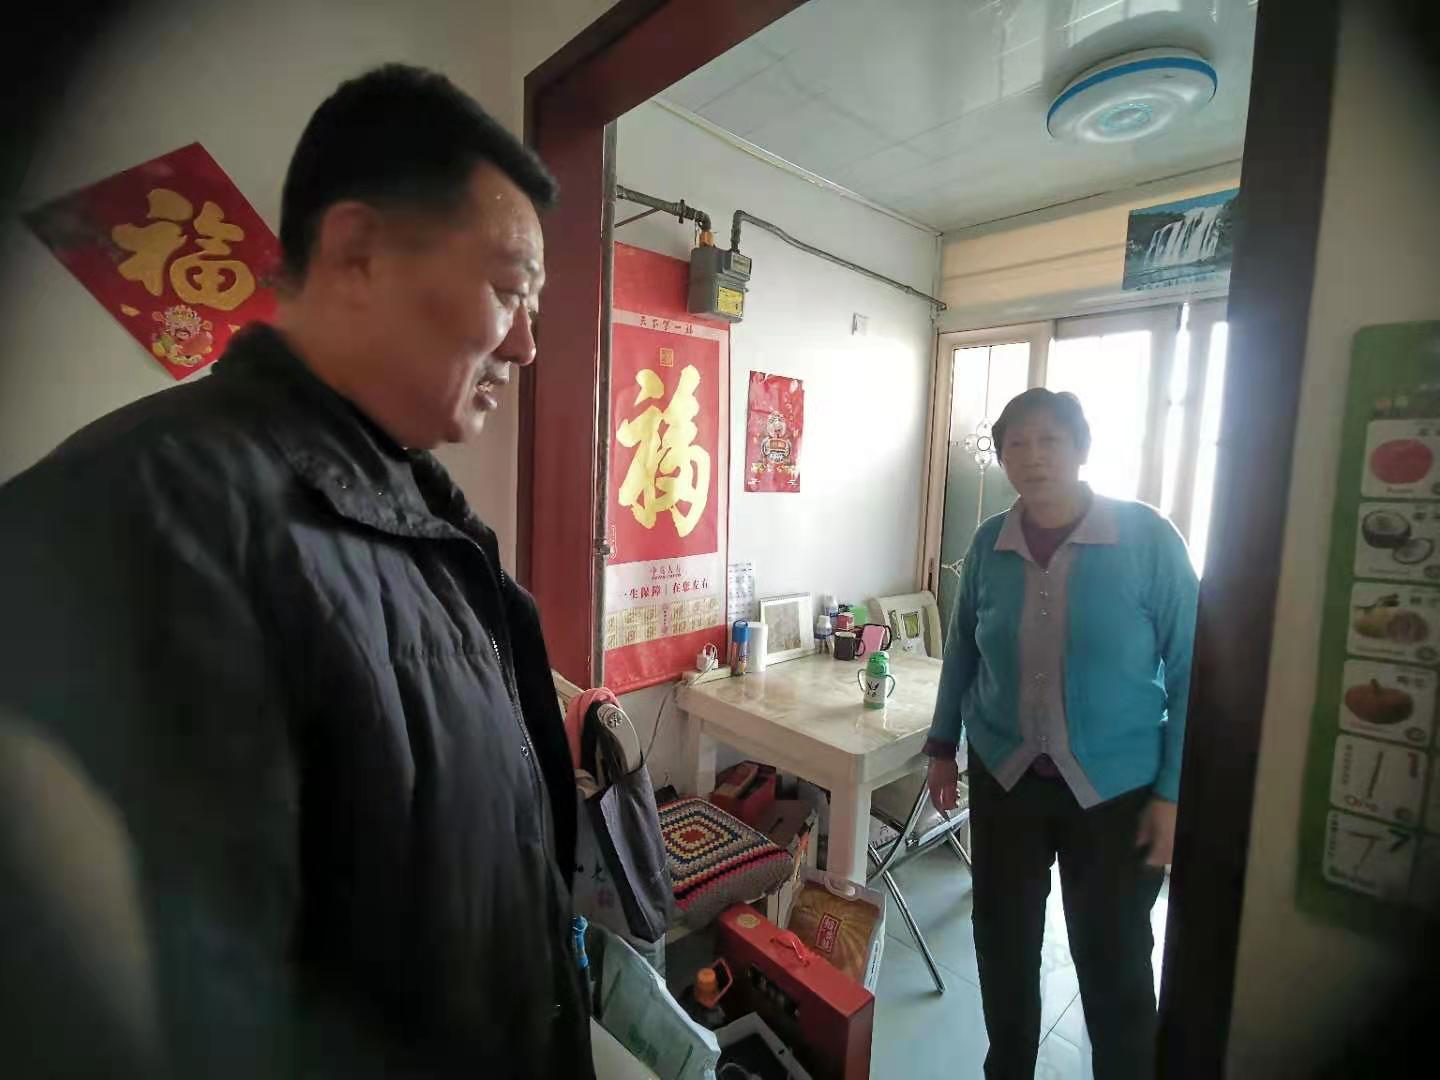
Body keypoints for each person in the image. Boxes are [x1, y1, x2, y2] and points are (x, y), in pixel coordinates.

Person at [0, 65, 592, 1079]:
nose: (529, 346)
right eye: (509, 290)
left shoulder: (415, 505)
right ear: (357, 254)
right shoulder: (139, 514)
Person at [925, 388, 1198, 1080]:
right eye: (1017, 443)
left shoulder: (1147, 539)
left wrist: (1172, 794)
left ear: (1081, 449)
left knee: (1114, 961)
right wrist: (941, 746)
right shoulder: (989, 543)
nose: (1033, 456)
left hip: (1116, 791)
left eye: (1050, 440)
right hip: (1006, 777)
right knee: (1003, 943)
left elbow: (1193, 671)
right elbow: (962, 650)